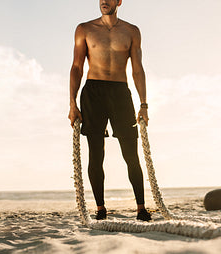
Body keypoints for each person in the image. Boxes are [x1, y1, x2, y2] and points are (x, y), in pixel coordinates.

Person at [67, 0, 151, 221]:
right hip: (93, 92)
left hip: (120, 92)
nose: (104, 1)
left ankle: (141, 208)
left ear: (119, 1)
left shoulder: (131, 31)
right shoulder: (84, 29)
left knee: (131, 154)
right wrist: (72, 104)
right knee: (96, 154)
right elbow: (77, 66)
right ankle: (100, 208)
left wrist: (143, 105)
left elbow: (137, 69)